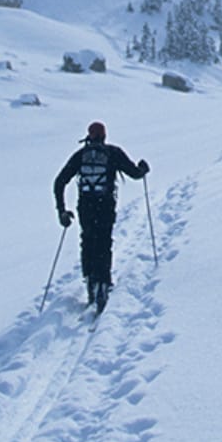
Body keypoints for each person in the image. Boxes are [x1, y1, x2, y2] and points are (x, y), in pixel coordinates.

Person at [53, 121, 149, 312]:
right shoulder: (113, 153)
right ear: (104, 135)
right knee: (104, 241)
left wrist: (62, 211)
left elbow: (59, 182)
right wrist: (143, 169)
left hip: (85, 206)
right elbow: (135, 174)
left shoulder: (80, 156)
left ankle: (90, 280)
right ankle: (104, 283)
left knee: (87, 240)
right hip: (105, 205)